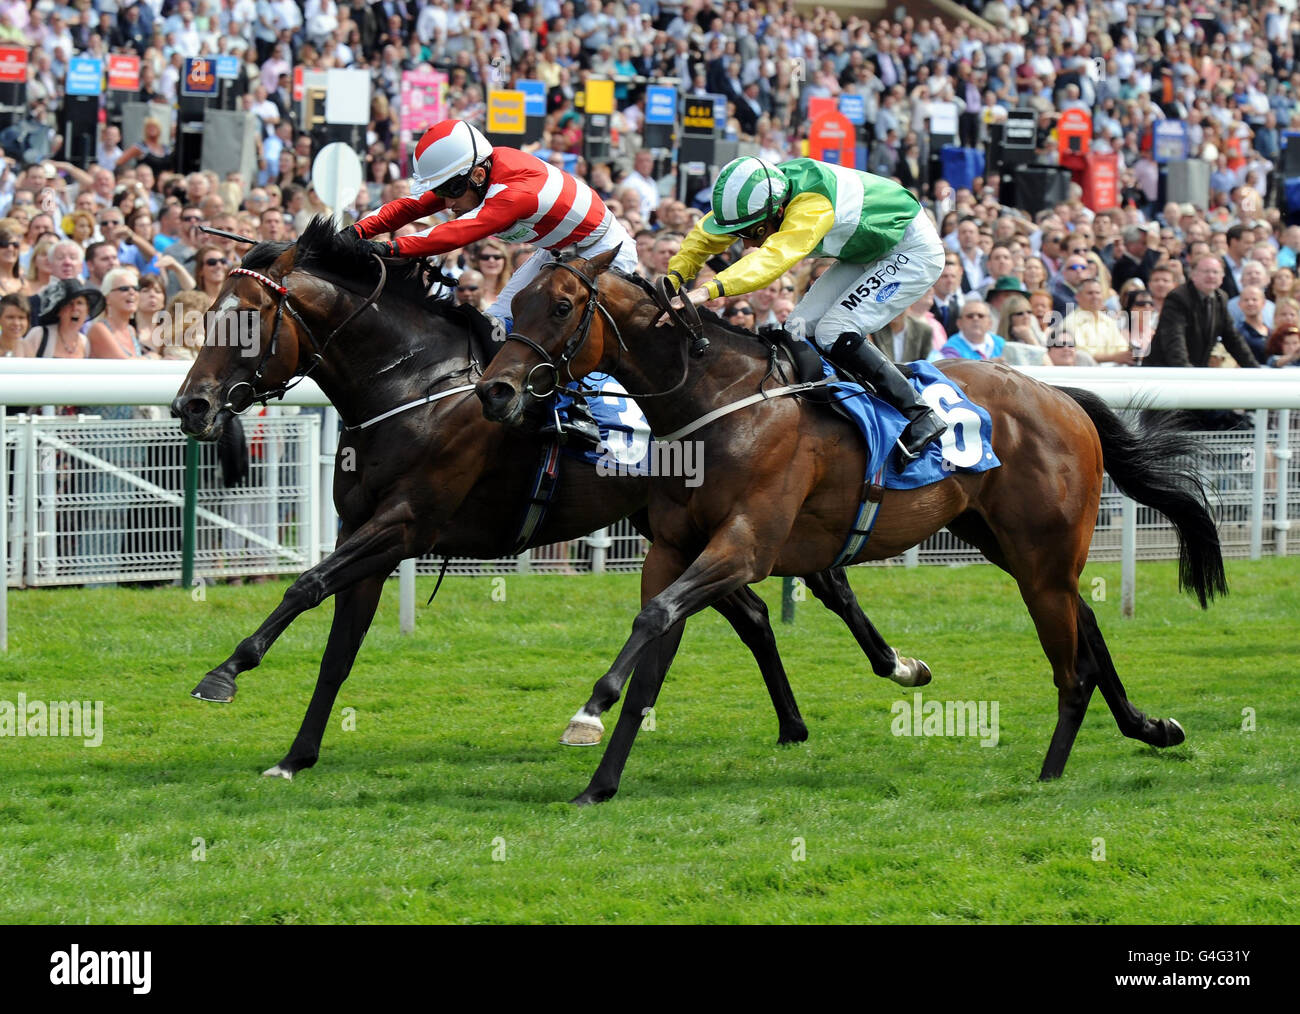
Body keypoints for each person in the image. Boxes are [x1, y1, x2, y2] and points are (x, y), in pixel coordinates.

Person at [662, 155, 947, 461]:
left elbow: (771, 260)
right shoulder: (762, 195)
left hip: (910, 251)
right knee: (796, 328)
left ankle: (920, 414)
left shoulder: (811, 206)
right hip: (868, 247)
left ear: (779, 210)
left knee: (832, 331)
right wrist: (672, 279)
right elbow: (702, 237)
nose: (747, 245)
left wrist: (706, 291)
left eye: (754, 233)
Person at [353, 119, 638, 325]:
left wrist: (387, 249)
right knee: (497, 322)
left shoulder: (515, 193)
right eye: (441, 192)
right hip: (560, 251)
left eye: (449, 192)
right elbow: (412, 206)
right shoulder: (472, 175)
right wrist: (356, 231)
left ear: (478, 175)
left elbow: (455, 234)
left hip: (606, 252)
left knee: (560, 334)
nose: (447, 204)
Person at [1145, 256, 1261, 368]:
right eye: (1206, 271)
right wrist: (1186, 373)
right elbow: (1174, 340)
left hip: (1196, 368)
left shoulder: (1220, 298)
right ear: (1193, 275)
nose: (1211, 276)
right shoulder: (1178, 297)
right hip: (1165, 370)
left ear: (1222, 276)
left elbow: (1233, 339)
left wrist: (1254, 369)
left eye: (1215, 272)